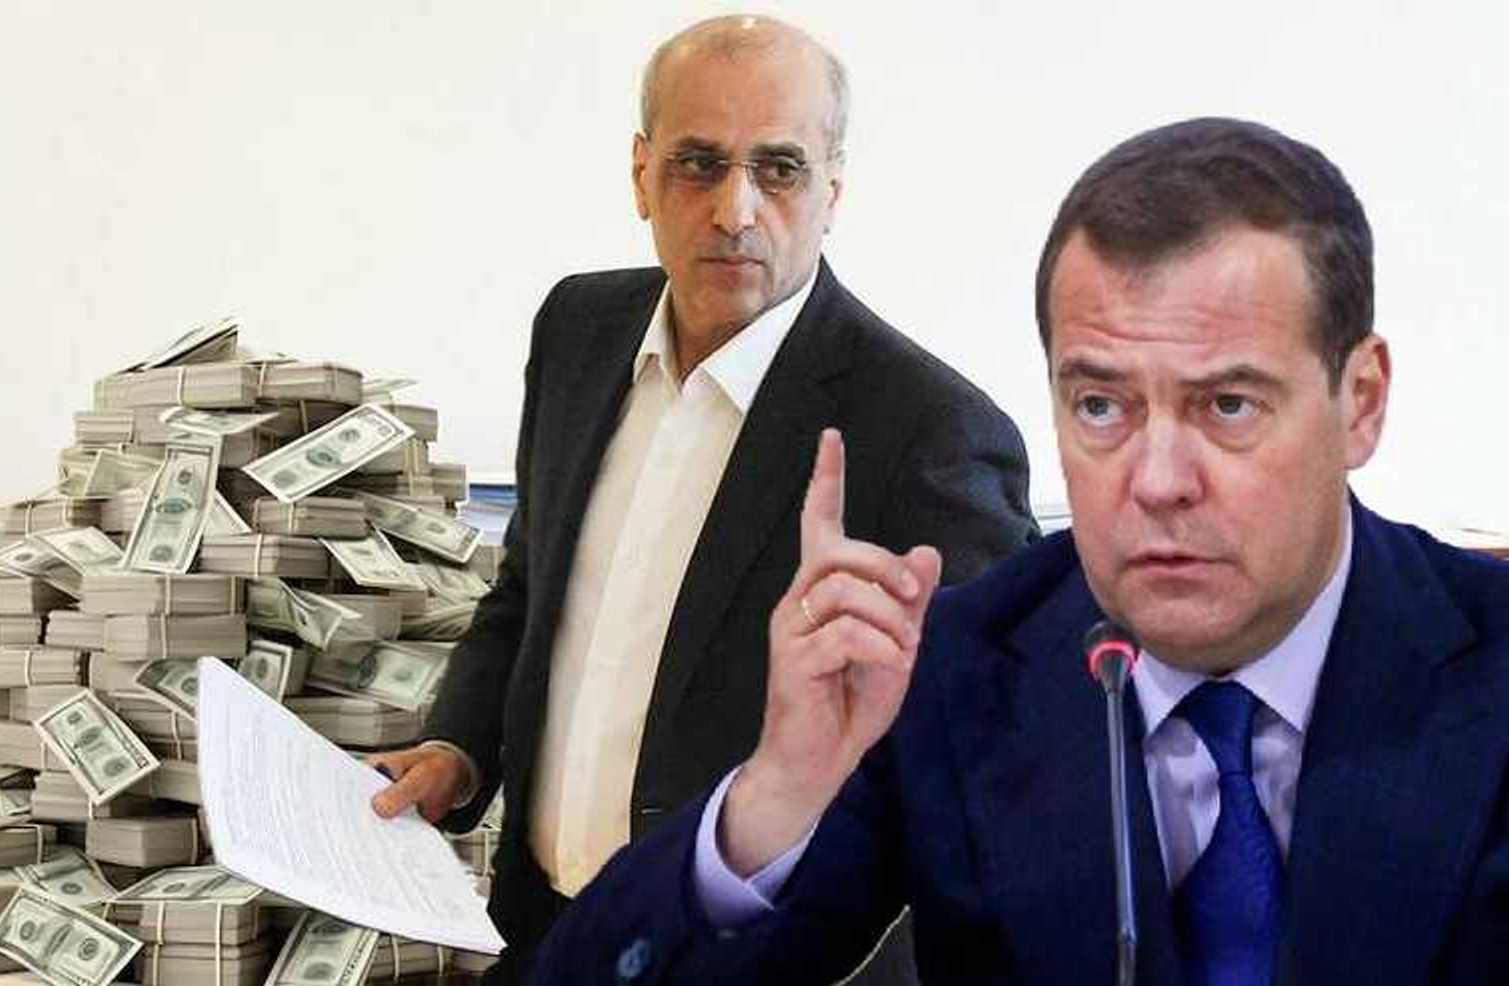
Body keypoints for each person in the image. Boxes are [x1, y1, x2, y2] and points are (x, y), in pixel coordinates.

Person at [529, 117, 1509, 985]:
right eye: (1101, 406)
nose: (1158, 479)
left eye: (1227, 404)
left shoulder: (1490, 662)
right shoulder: (955, 668)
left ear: (1360, 402)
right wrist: (779, 788)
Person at [366, 14, 1037, 984]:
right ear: (641, 174)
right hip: (544, 933)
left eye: (779, 169)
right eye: (698, 164)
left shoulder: (928, 431)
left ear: (831, 193)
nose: (735, 209)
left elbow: (978, 766)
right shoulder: (577, 330)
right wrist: (457, 750)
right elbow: (528, 590)